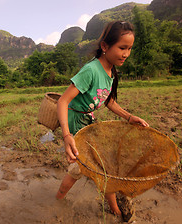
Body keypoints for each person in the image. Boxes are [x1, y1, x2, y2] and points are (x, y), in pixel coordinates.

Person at [55, 20, 149, 217]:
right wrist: (66, 136)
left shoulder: (111, 70)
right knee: (78, 169)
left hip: (88, 120)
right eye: (122, 48)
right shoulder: (91, 70)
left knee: (103, 165)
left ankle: (113, 206)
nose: (126, 54)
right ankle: (57, 202)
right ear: (105, 47)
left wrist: (129, 117)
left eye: (129, 49)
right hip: (76, 122)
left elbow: (109, 101)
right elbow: (63, 102)